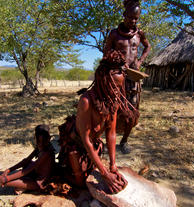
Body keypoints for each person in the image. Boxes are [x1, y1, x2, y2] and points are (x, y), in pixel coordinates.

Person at [58, 50, 131, 194]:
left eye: (120, 87)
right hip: (77, 145)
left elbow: (111, 134)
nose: (118, 92)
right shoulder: (86, 101)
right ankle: (55, 174)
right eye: (115, 86)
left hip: (93, 145)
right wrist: (105, 174)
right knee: (80, 184)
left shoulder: (112, 103)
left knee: (93, 177)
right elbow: (86, 140)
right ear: (104, 80)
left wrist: (113, 166)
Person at [103, 0, 151, 154]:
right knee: (111, 109)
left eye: (136, 18)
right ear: (124, 15)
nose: (133, 21)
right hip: (116, 78)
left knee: (132, 111)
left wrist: (139, 61)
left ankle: (124, 141)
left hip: (133, 79)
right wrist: (117, 61)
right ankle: (108, 139)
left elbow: (147, 47)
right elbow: (106, 52)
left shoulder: (139, 34)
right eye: (131, 17)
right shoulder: (114, 34)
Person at [0, 125, 55, 194]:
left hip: (41, 182)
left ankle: (21, 186)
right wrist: (8, 170)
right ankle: (21, 186)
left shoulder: (47, 152)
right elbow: (26, 161)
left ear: (48, 139)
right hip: (35, 173)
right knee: (27, 163)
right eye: (39, 141)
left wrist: (6, 179)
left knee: (7, 183)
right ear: (36, 138)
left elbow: (28, 170)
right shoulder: (40, 147)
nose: (40, 143)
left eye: (42, 141)